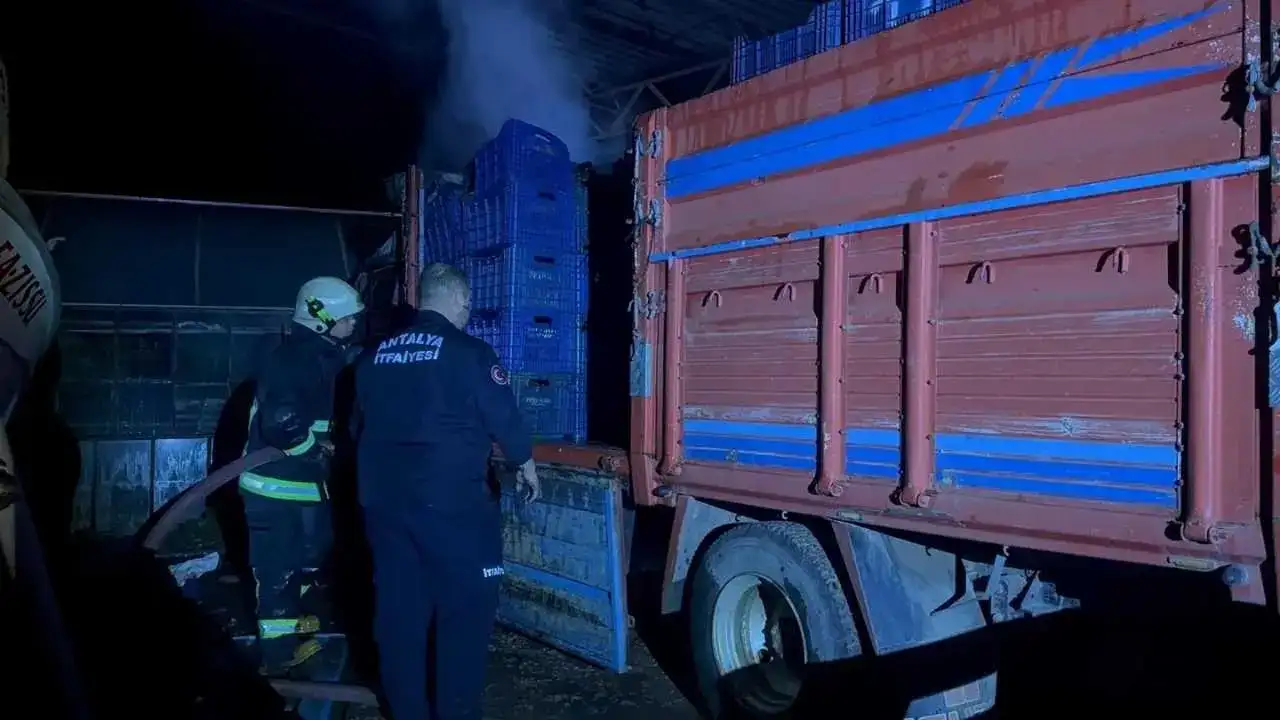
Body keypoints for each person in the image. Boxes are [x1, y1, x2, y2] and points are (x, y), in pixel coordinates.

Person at [352, 262, 540, 720]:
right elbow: (505, 420)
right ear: (458, 301)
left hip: (384, 509)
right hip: (453, 511)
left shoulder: (372, 358)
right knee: (465, 620)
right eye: (468, 305)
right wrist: (526, 465)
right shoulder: (469, 352)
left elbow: (357, 429)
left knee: (400, 619)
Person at [239, 275, 364, 674]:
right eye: (346, 319)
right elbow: (281, 420)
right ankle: (277, 657)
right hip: (275, 488)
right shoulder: (295, 358)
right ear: (320, 318)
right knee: (279, 571)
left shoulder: (319, 355)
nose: (352, 325)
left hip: (300, 487)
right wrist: (314, 452)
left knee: (307, 560)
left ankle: (292, 628)